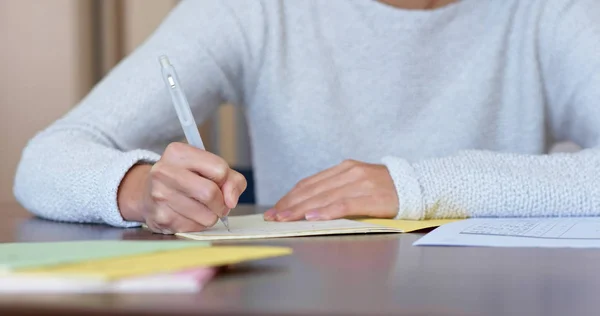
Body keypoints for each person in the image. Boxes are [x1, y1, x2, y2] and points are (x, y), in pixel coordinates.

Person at [13, 0, 600, 234]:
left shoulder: (552, 11)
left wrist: (419, 186)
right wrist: (143, 191)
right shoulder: (252, 9)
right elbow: (45, 159)